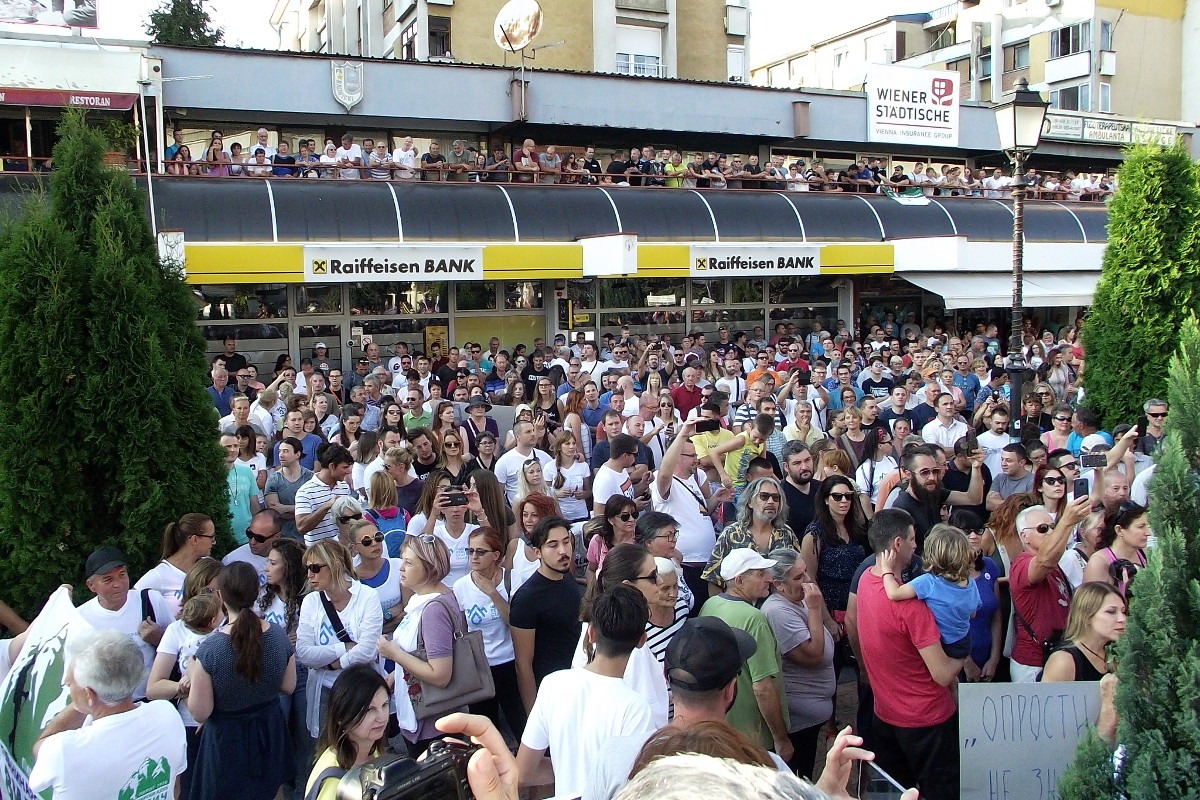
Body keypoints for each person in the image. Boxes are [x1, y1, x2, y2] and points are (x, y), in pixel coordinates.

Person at [855, 508, 962, 799]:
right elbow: (942, 674)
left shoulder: (865, 579)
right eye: (913, 539)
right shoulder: (911, 608)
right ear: (898, 544)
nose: (917, 545)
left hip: (885, 716)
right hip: (928, 722)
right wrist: (962, 654)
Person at [516, 584, 656, 800]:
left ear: (590, 633)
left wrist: (566, 768)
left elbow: (523, 772)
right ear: (641, 641)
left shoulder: (553, 684)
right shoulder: (636, 708)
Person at [29, 630, 188, 800]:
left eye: (70, 683)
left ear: (89, 694)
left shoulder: (63, 749)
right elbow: (174, 788)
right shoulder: (166, 715)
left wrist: (80, 704)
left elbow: (40, 748)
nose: (67, 684)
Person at [186, 562, 297, 800]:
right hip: (269, 730)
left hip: (227, 739)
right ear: (256, 591)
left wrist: (192, 670)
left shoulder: (211, 649)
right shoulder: (277, 635)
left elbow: (200, 713)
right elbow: (288, 686)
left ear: (219, 595)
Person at [377, 534, 468, 755]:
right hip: (427, 718)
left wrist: (394, 654)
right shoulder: (428, 600)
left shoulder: (434, 609)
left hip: (433, 727)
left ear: (429, 568)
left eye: (409, 562)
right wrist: (393, 677)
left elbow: (440, 674)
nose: (401, 568)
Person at [699, 548, 792, 762]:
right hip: (755, 737)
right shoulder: (754, 618)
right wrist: (781, 738)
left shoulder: (710, 605)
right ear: (739, 580)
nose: (769, 579)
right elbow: (763, 688)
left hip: (724, 728)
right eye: (760, 574)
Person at [574, 544, 670, 727]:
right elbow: (650, 718)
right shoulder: (630, 645)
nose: (660, 582)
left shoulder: (594, 626)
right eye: (652, 576)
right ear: (628, 586)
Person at [296, 541, 383, 738]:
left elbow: (367, 651)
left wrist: (333, 665)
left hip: (358, 689)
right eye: (307, 569)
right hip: (323, 690)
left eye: (315, 568)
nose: (310, 575)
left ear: (334, 565)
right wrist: (343, 647)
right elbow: (304, 653)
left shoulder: (367, 597)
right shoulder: (311, 601)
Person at [761, 549, 835, 779]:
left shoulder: (797, 598)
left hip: (811, 718)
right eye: (798, 577)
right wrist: (814, 609)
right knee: (798, 780)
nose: (807, 581)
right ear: (779, 585)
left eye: (805, 573)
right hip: (798, 722)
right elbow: (813, 655)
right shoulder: (777, 611)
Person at [452, 526, 527, 739]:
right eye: (470, 551)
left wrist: (493, 593)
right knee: (484, 729)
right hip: (480, 665)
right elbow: (462, 629)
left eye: (480, 551)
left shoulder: (512, 580)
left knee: (519, 722)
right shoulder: (461, 586)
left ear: (496, 555)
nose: (473, 557)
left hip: (509, 661)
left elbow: (515, 622)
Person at [1009, 497, 1091, 682]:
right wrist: (1067, 522)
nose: (1051, 533)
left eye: (1052, 527)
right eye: (1043, 529)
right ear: (1024, 537)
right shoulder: (1021, 564)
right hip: (1033, 663)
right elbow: (1044, 561)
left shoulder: (1056, 565)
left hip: (1056, 654)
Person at [78, 546, 172, 701]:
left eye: (122, 575)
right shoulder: (81, 618)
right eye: (108, 580)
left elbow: (180, 646)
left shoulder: (150, 600)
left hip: (153, 701)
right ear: (91, 585)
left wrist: (159, 639)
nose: (118, 584)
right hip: (109, 708)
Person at [510, 516, 584, 713]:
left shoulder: (567, 579)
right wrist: (534, 715)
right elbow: (523, 664)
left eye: (566, 542)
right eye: (553, 545)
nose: (563, 551)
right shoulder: (526, 599)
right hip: (551, 694)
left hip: (578, 684)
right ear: (537, 552)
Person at [879, 524, 980, 658]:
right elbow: (973, 613)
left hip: (943, 645)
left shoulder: (929, 582)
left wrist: (886, 570)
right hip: (964, 642)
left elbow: (894, 593)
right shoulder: (970, 583)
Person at [305, 664, 390, 800]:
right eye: (369, 710)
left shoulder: (372, 750)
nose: (381, 717)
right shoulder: (333, 777)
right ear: (341, 716)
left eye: (384, 705)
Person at [702, 476, 800, 592]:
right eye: (764, 496)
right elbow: (714, 579)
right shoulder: (731, 534)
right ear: (750, 502)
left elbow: (800, 572)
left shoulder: (786, 533)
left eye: (776, 498)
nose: (770, 501)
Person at [800, 476, 868, 639]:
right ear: (826, 500)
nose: (844, 500)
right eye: (837, 496)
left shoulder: (856, 529)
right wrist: (827, 620)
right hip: (832, 609)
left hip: (860, 606)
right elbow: (810, 578)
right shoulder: (814, 534)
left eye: (848, 496)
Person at [136, 513, 217, 618]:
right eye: (211, 537)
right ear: (194, 539)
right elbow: (133, 599)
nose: (214, 542)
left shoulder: (208, 564)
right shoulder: (160, 574)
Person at [1041, 581, 1126, 682]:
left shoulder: (1120, 654)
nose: (1122, 619)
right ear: (1087, 616)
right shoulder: (1064, 661)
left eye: (1123, 611)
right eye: (1111, 612)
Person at [1082, 503, 1149, 596]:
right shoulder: (1098, 563)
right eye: (1141, 527)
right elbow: (1091, 605)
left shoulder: (1146, 554)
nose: (1148, 533)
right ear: (1119, 530)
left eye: (1147, 526)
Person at [295, 445, 354, 546]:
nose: (348, 471)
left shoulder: (344, 487)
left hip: (342, 550)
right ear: (331, 466)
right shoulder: (305, 491)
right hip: (319, 555)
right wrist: (327, 506)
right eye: (344, 467)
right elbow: (301, 528)